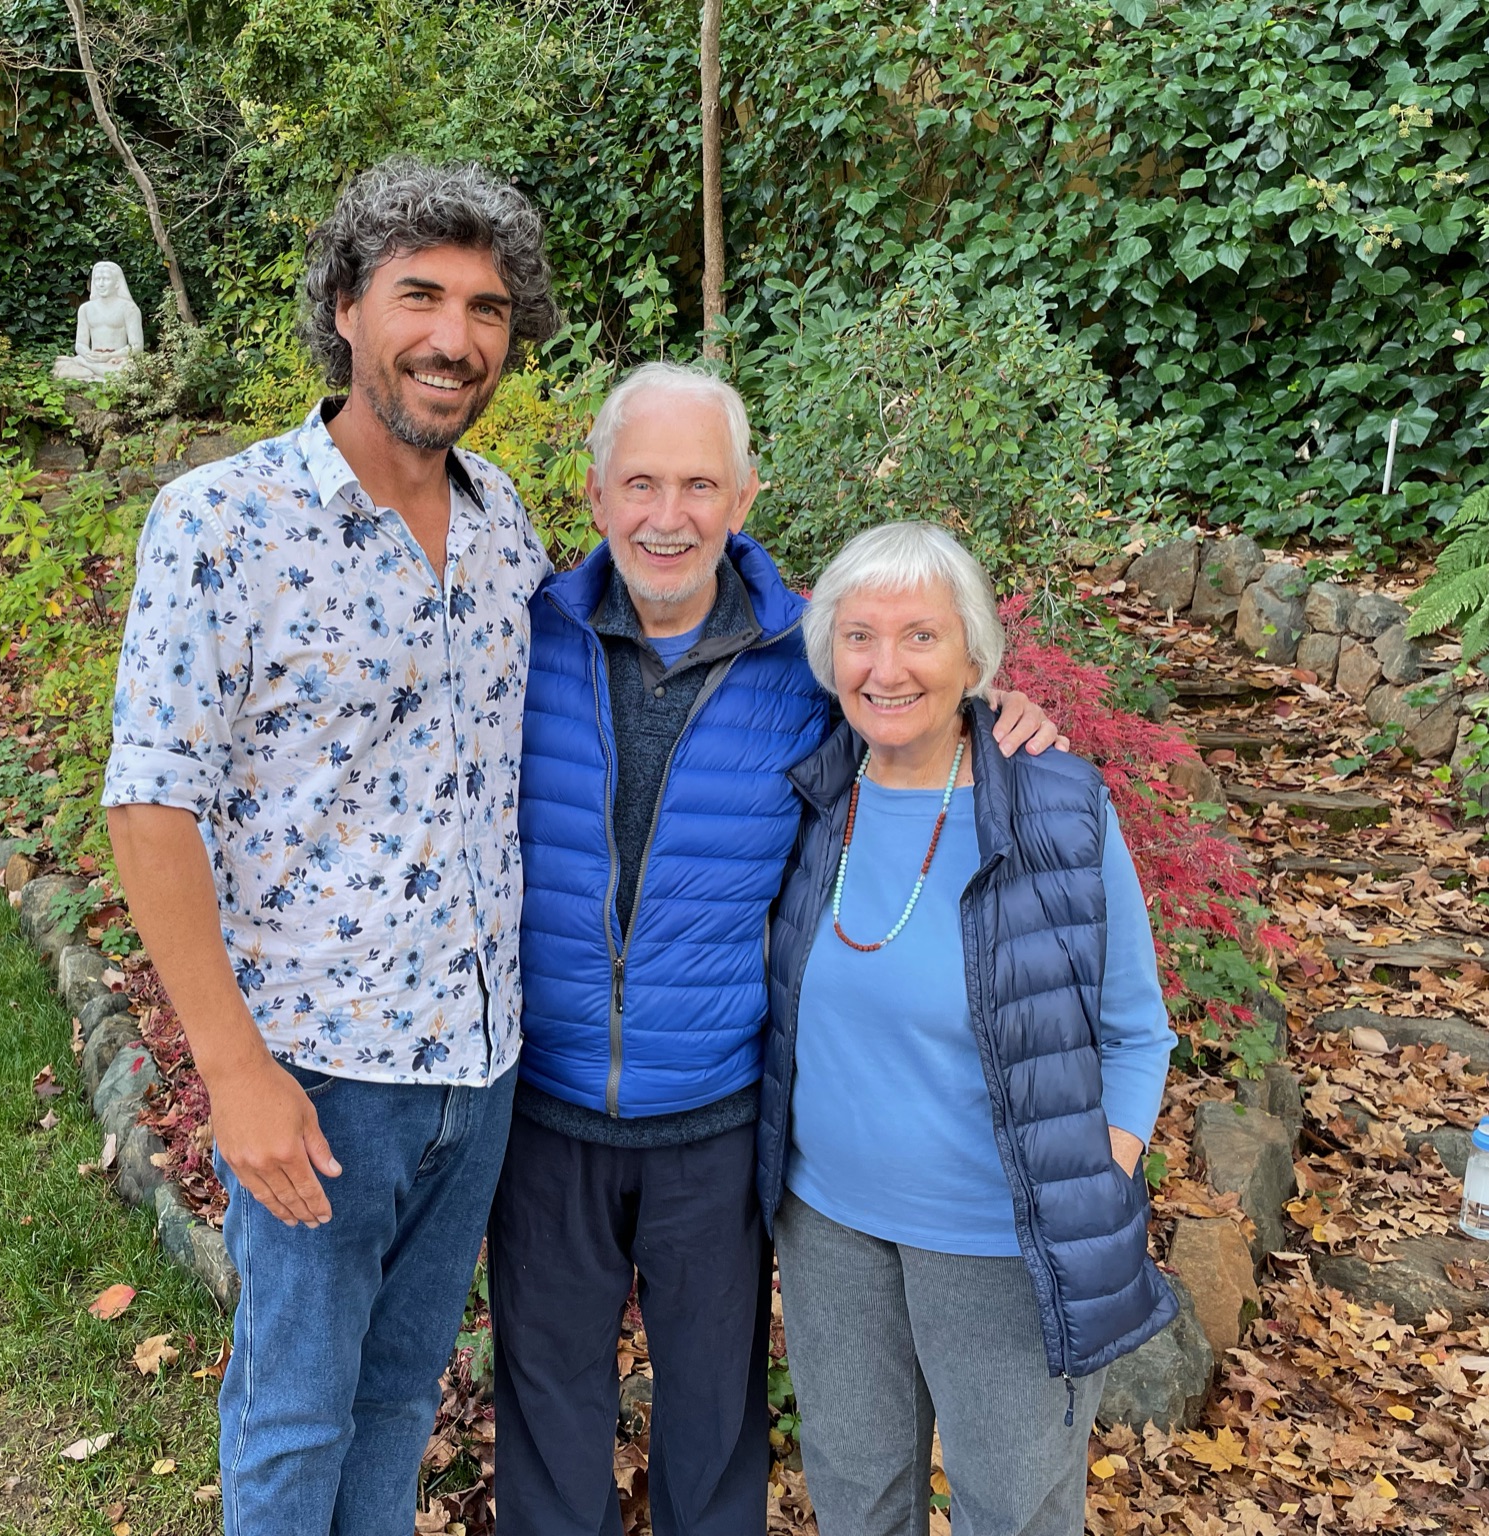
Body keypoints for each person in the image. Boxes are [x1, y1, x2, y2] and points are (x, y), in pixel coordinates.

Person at [493, 365, 1064, 1536]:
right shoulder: (523, 639)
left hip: (715, 1122)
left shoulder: (804, 659)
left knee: (714, 1438)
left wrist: (1008, 714)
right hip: (545, 1117)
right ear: (597, 495)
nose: (668, 514)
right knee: (549, 1430)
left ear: (745, 495)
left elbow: (909, 702)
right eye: (640, 482)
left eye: (698, 483)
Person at [101, 156, 559, 1536]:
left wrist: (969, 701)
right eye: (420, 294)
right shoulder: (223, 521)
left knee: (401, 1393)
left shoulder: (504, 527)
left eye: (484, 308)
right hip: (318, 1074)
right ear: (349, 311)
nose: (454, 337)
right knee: (296, 1412)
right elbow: (149, 801)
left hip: (479, 1068)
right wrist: (233, 1073)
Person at [756, 520, 1178, 1536]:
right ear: (829, 659)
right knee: (860, 1503)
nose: (887, 666)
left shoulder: (1057, 808)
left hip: (1003, 1240)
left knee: (1014, 1511)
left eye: (921, 637)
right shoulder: (808, 801)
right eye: (858, 637)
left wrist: (1091, 1171)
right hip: (829, 1230)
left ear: (976, 659)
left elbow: (1136, 1032)